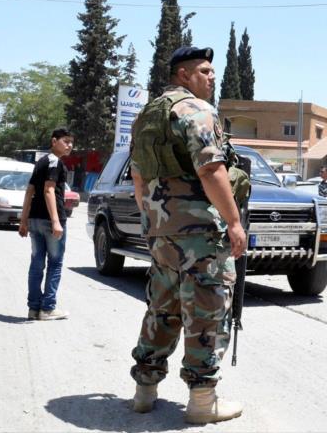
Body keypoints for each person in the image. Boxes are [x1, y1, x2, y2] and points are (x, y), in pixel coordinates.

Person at [128, 46, 247, 424]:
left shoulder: (147, 115)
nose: (212, 77)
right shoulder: (195, 110)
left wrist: (152, 222)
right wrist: (233, 222)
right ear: (184, 75)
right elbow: (212, 170)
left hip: (162, 233)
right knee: (205, 312)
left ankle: (144, 391)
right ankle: (201, 401)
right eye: (205, 71)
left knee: (162, 309)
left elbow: (138, 178)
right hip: (199, 235)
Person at [18, 128, 74, 321]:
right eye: (65, 141)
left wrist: (24, 220)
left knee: (36, 263)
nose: (70, 145)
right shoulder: (54, 162)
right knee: (55, 264)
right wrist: (56, 221)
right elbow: (48, 190)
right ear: (54, 141)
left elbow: (29, 191)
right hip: (50, 222)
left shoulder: (40, 162)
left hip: (34, 220)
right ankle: (48, 308)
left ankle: (33, 309)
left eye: (71, 142)